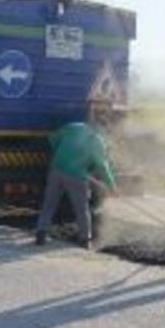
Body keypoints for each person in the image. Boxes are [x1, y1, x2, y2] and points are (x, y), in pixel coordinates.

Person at [35, 107, 116, 250]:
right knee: (82, 209)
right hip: (77, 177)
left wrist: (59, 153)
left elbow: (52, 138)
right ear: (102, 129)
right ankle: (85, 240)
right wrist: (112, 187)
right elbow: (103, 167)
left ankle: (41, 233)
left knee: (49, 204)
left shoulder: (73, 127)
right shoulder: (97, 142)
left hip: (57, 171)